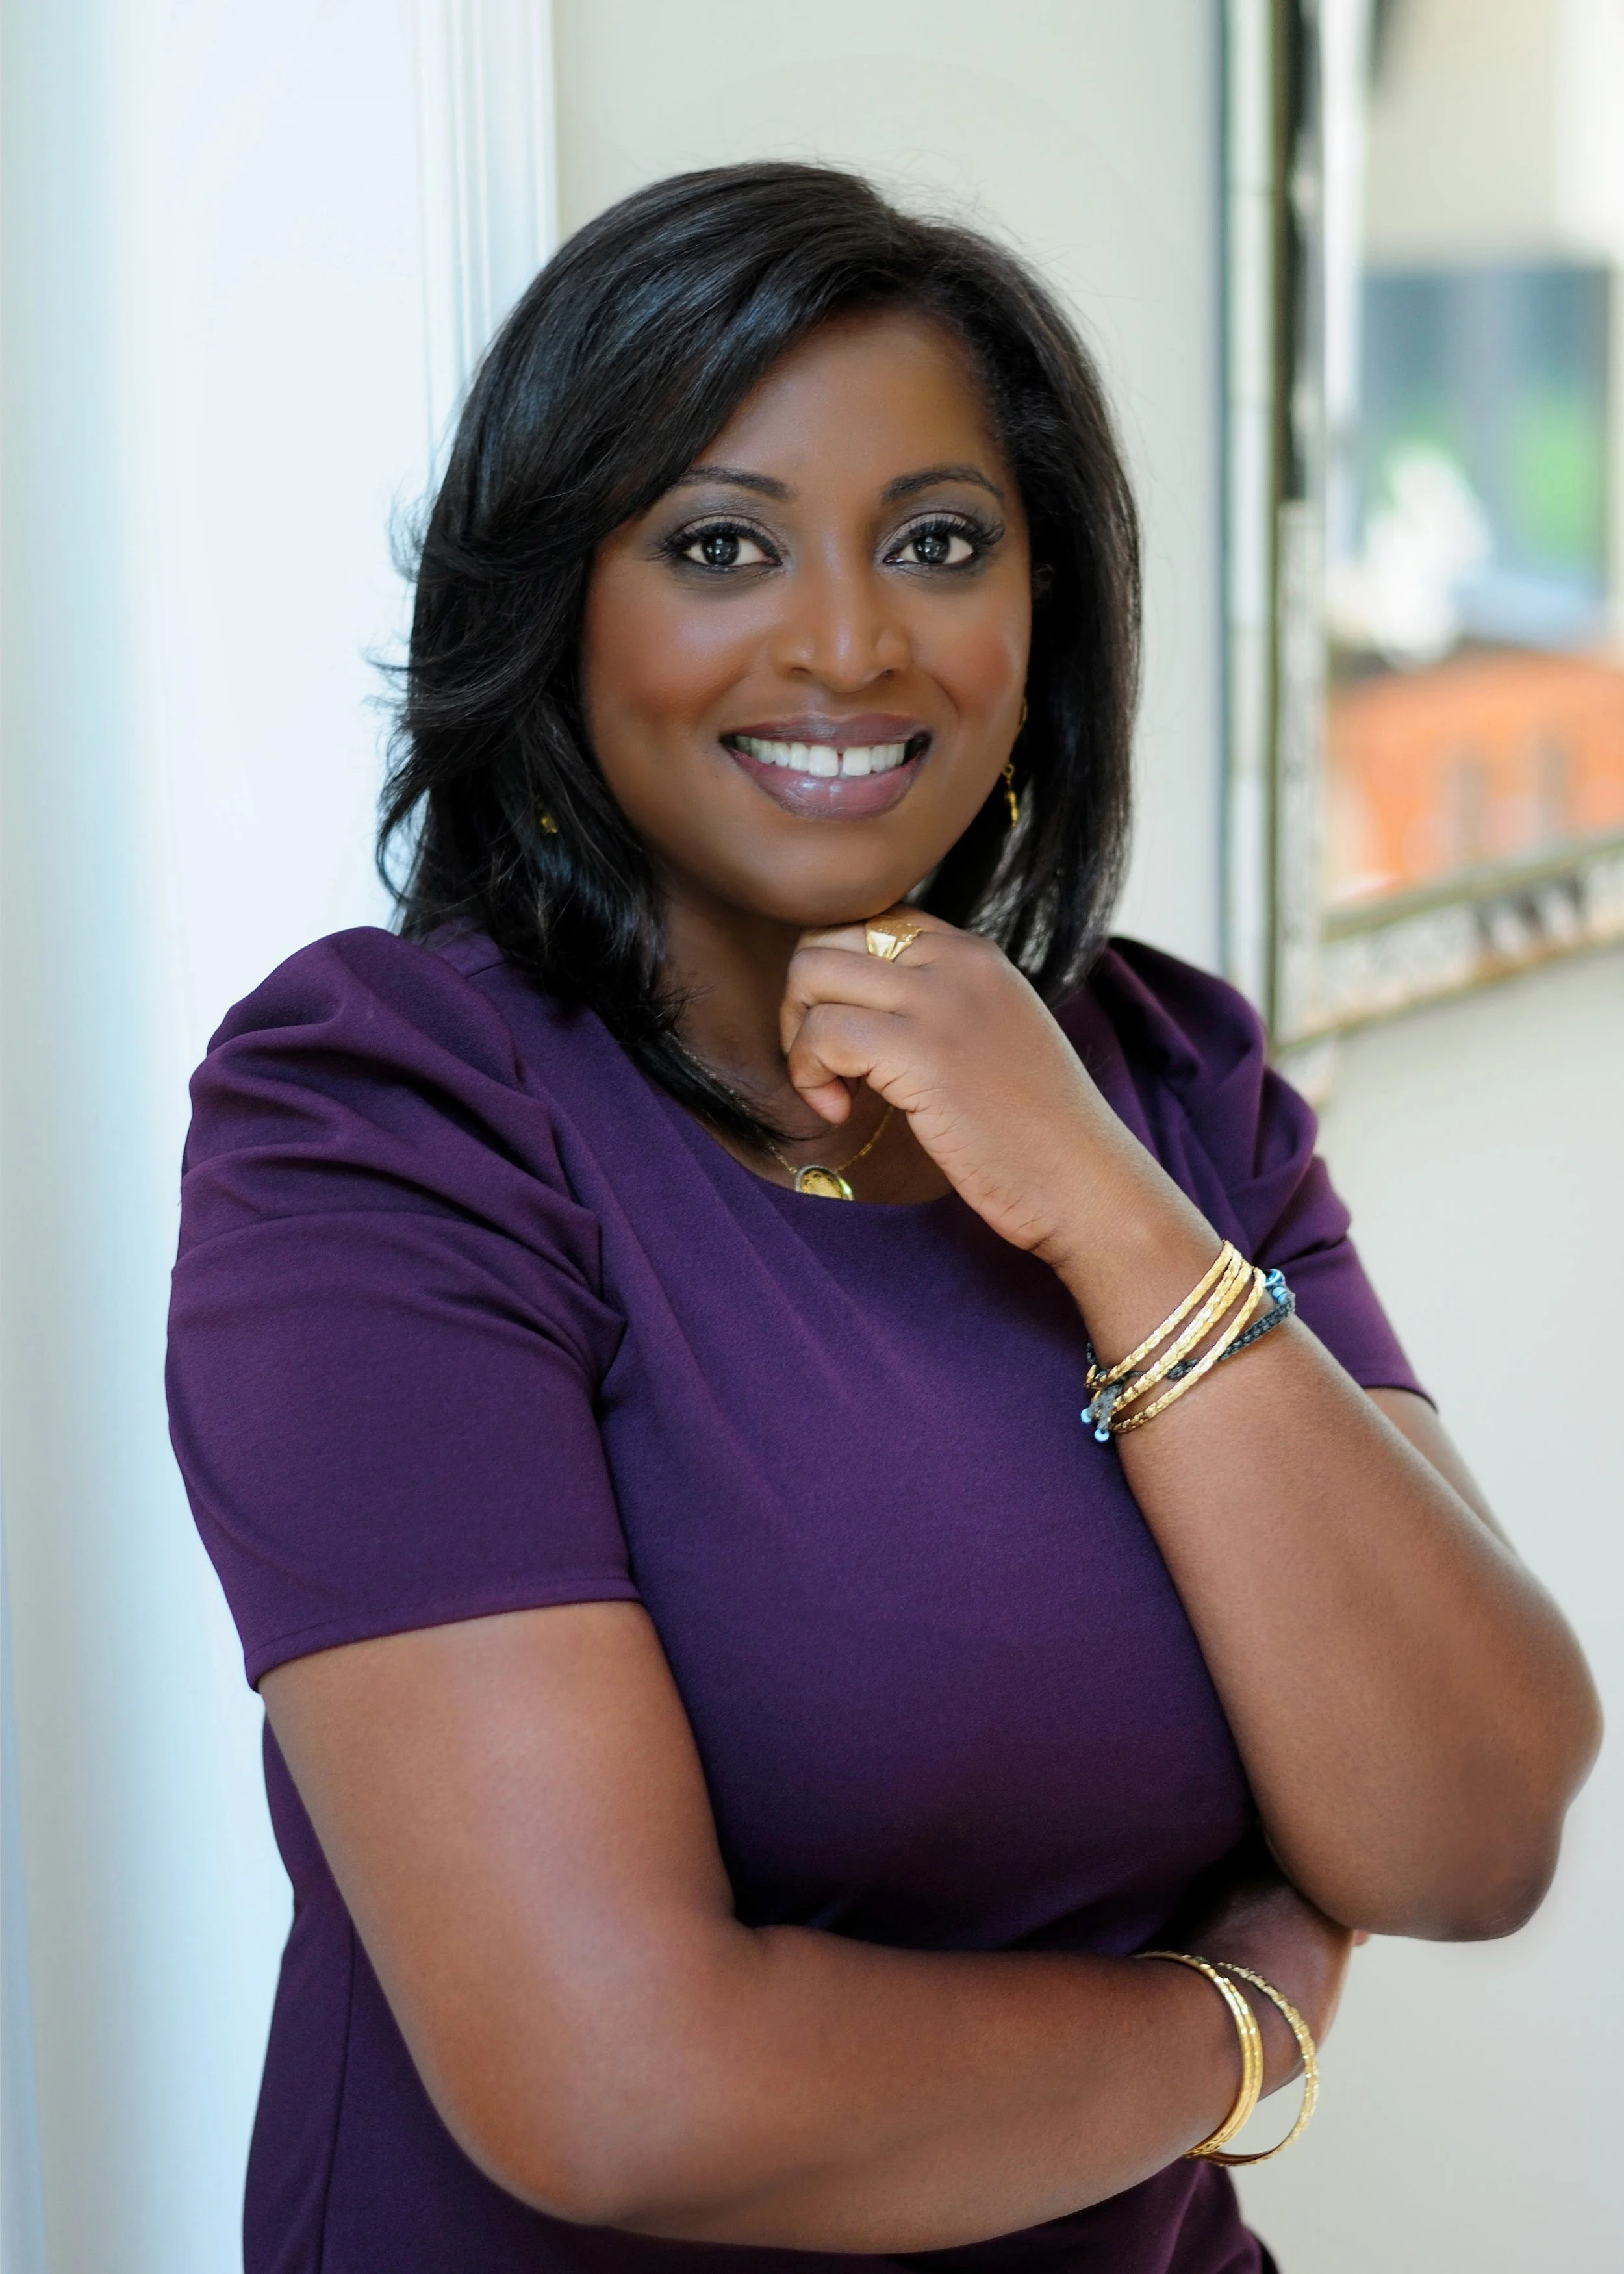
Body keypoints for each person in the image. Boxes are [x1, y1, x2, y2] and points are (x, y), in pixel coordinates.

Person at [166, 164, 1599, 2274]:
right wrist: (1231, 2031)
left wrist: (1104, 1205)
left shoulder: (1164, 1078)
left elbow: (1467, 1828)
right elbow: (619, 2086)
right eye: (718, 544)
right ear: (559, 606)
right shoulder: (388, 1116)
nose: (847, 642)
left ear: (1043, 604)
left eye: (936, 541)